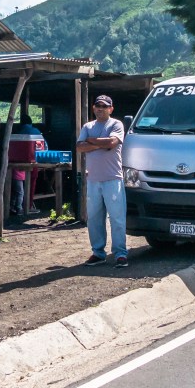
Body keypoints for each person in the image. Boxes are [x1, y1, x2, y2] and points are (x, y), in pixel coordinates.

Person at [76, 94, 128, 269]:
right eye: (98, 105)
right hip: (93, 181)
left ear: (111, 109)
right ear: (93, 108)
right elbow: (79, 147)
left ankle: (120, 253)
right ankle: (98, 253)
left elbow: (113, 142)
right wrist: (101, 144)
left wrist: (91, 141)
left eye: (105, 106)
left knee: (117, 218)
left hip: (113, 179)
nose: (101, 108)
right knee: (94, 219)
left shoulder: (116, 124)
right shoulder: (88, 126)